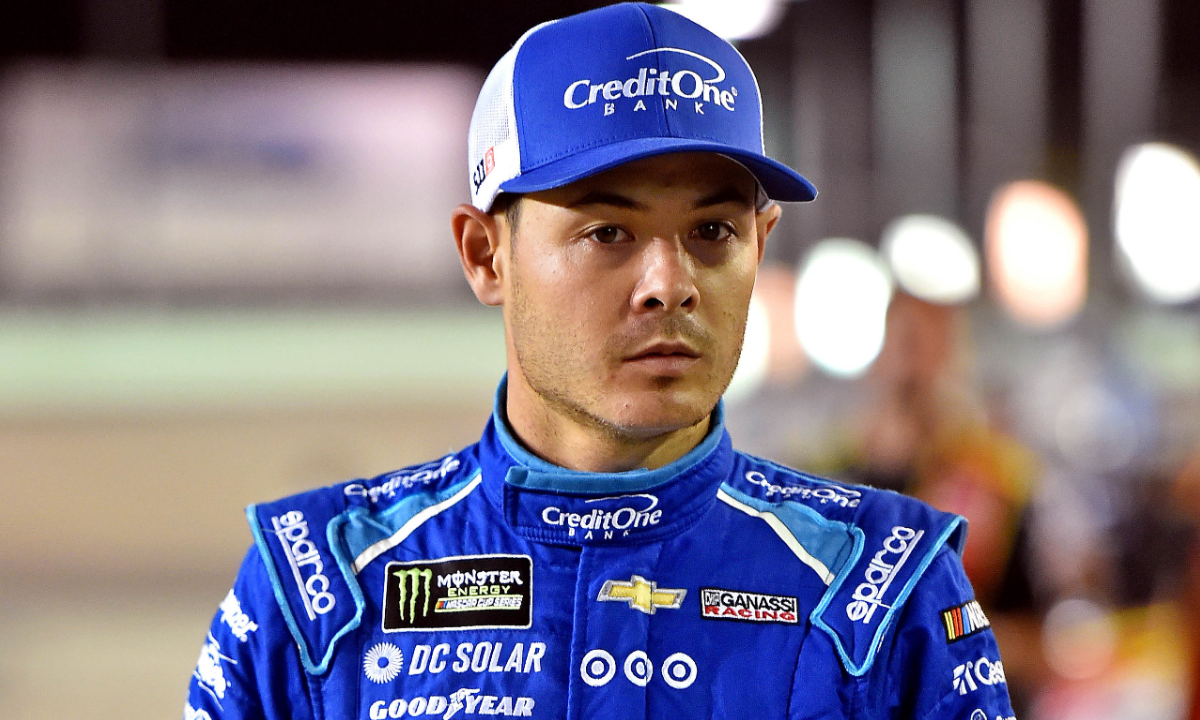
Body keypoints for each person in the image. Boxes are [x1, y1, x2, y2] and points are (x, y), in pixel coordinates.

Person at [184, 4, 1018, 719]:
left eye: (713, 233)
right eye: (606, 232)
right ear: (485, 257)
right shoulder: (315, 589)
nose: (669, 284)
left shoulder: (883, 586)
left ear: (762, 245)